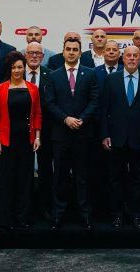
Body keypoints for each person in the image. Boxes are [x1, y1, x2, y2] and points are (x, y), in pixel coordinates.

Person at [42, 37, 100, 230]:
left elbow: (94, 100)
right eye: (68, 49)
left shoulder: (90, 73)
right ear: (63, 51)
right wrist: (66, 119)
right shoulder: (53, 75)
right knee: (59, 176)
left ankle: (84, 214)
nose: (72, 52)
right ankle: (58, 214)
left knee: (82, 176)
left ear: (80, 52)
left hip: (83, 133)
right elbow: (49, 102)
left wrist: (81, 119)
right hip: (60, 134)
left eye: (75, 49)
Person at [99, 46, 140, 229]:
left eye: (135, 56)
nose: (132, 58)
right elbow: (104, 110)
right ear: (122, 58)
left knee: (138, 179)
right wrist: (104, 134)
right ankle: (117, 214)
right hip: (116, 138)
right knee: (115, 179)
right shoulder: (111, 79)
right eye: (128, 55)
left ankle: (136, 214)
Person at [0, 51, 42, 230]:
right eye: (14, 67)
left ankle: (23, 217)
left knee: (25, 180)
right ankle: (6, 219)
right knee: (7, 180)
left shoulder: (33, 88)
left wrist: (37, 137)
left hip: (27, 140)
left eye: (20, 67)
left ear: (25, 68)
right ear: (9, 69)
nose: (17, 70)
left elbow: (37, 114)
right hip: (6, 141)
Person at [23, 42, 53, 219]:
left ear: (42, 56)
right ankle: (24, 208)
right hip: (22, 130)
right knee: (24, 170)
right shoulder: (16, 73)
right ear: (25, 55)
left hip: (46, 130)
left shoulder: (51, 75)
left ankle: (45, 206)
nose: (34, 56)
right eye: (31, 53)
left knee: (45, 170)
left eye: (38, 53)